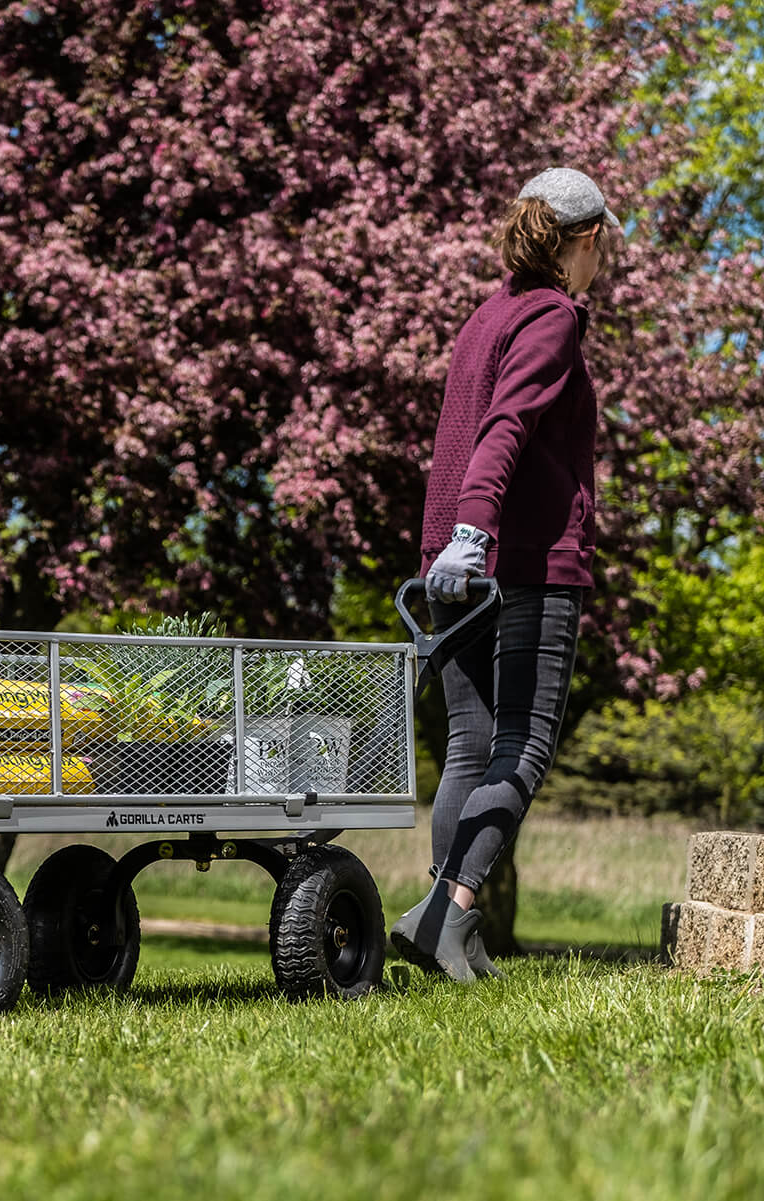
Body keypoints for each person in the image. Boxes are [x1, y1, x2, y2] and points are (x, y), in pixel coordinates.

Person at [389, 167, 619, 983]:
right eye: (604, 248)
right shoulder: (554, 314)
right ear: (585, 240)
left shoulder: (485, 316)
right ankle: (447, 913)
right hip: (515, 558)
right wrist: (475, 531)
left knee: (470, 744)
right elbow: (506, 426)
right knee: (521, 743)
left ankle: (442, 922)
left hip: (451, 566)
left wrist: (449, 544)